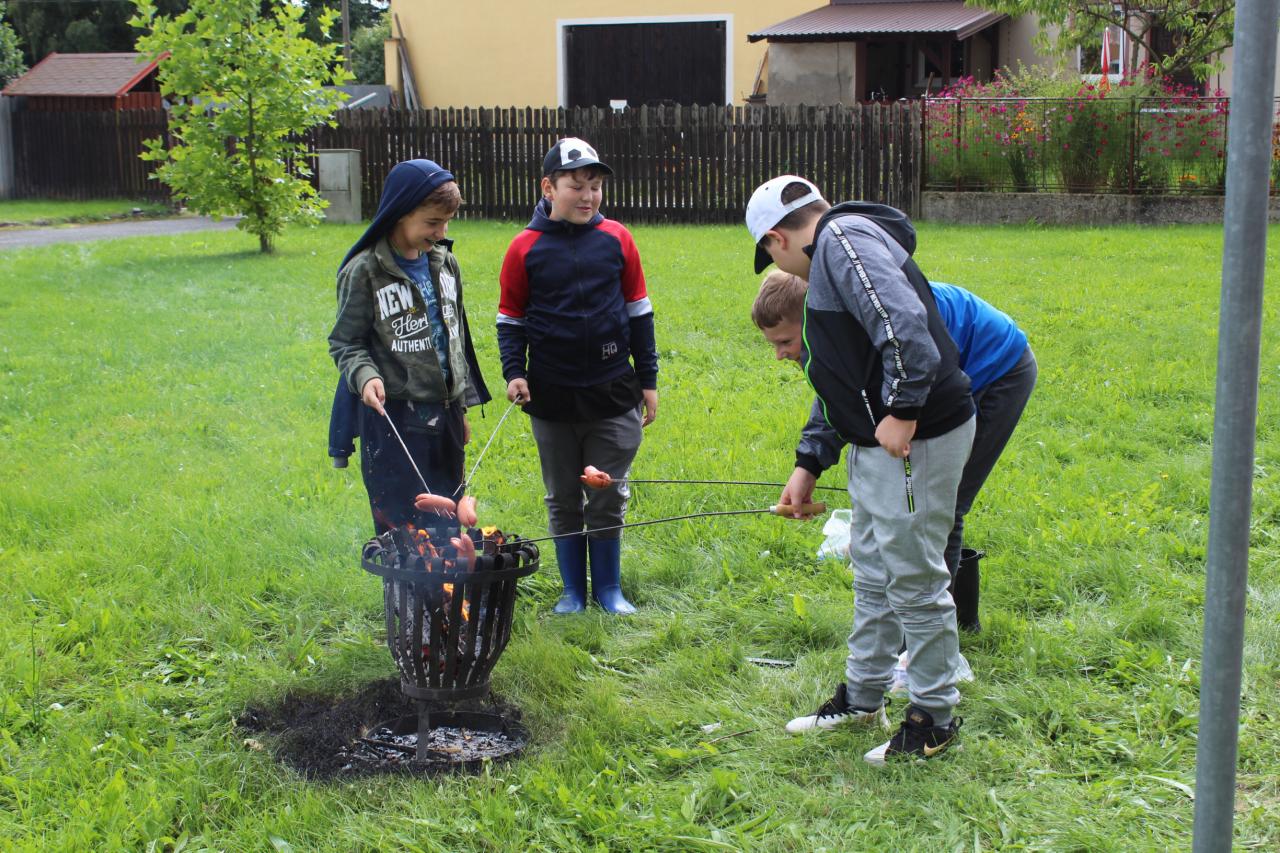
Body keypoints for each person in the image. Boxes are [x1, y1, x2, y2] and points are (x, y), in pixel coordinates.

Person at [746, 175, 975, 765]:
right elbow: (840, 380)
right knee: (873, 571)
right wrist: (809, 463)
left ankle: (934, 718)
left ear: (776, 240)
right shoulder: (833, 255)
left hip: (917, 439)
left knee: (915, 579)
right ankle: (863, 696)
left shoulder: (841, 240)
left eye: (771, 255)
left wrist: (904, 410)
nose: (782, 268)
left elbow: (905, 326)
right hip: (877, 446)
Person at [752, 272, 1037, 632]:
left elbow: (915, 384)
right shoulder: (835, 330)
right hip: (940, 380)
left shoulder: (869, 326)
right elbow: (838, 397)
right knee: (919, 502)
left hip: (996, 369)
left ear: (811, 321)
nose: (780, 355)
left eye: (785, 341)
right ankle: (948, 620)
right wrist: (807, 465)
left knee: (941, 506)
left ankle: (928, 635)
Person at [497, 138, 658, 614]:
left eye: (595, 186)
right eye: (577, 186)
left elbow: (639, 312)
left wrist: (648, 380)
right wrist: (515, 372)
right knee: (563, 497)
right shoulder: (524, 248)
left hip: (613, 393)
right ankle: (572, 591)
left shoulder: (617, 239)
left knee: (606, 494)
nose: (588, 196)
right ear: (548, 188)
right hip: (551, 398)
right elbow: (511, 319)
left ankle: (608, 589)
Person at [328, 159, 490, 535]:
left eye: (447, 222)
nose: (441, 231)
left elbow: (454, 342)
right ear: (401, 212)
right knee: (401, 531)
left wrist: (460, 408)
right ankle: (403, 578)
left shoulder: (446, 264)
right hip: (394, 421)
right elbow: (346, 341)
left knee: (447, 525)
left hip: (445, 417)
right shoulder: (364, 271)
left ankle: (447, 576)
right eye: (432, 222)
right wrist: (365, 376)